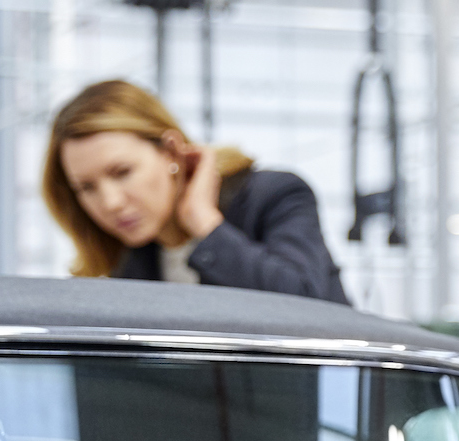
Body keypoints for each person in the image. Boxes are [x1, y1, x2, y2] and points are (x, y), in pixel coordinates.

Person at [42, 79, 349, 301]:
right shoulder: (134, 262)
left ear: (170, 153)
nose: (109, 203)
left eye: (122, 172)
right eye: (86, 187)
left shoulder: (274, 195)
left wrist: (204, 223)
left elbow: (303, 301)